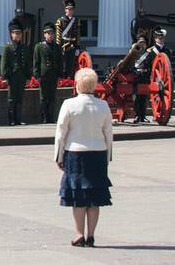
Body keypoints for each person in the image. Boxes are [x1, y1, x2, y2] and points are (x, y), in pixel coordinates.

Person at [55, 67, 113, 247]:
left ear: (77, 84)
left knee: (78, 196)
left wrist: (59, 155)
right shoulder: (103, 105)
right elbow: (108, 133)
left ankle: (79, 233)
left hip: (75, 153)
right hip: (98, 154)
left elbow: (61, 131)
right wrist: (108, 156)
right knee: (95, 197)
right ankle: (91, 235)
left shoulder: (69, 104)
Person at [132, 28, 170, 123]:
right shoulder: (151, 51)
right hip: (150, 76)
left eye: (161, 38)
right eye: (158, 37)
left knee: (145, 98)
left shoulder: (167, 50)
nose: (160, 39)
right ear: (155, 39)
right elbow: (142, 62)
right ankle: (138, 115)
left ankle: (153, 115)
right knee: (140, 96)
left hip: (162, 77)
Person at [1, 21, 31, 126]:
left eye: (19, 33)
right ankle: (12, 120)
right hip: (12, 76)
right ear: (11, 34)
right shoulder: (8, 47)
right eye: (15, 33)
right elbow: (4, 63)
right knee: (12, 98)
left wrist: (28, 76)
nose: (17, 35)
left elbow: (27, 62)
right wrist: (4, 77)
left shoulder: (24, 47)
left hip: (21, 75)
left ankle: (18, 119)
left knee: (20, 98)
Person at [33, 24, 63, 124]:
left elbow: (60, 62)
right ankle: (44, 118)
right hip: (43, 75)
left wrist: (59, 75)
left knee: (52, 97)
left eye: (51, 33)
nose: (50, 35)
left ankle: (51, 117)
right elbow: (36, 62)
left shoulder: (57, 47)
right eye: (48, 33)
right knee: (43, 97)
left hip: (53, 74)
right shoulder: (39, 46)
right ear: (44, 35)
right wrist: (37, 75)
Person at [55, 0, 81, 77]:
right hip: (63, 46)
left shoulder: (76, 20)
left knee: (70, 66)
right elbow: (58, 36)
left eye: (71, 9)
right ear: (65, 10)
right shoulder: (61, 20)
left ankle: (69, 81)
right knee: (62, 66)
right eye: (68, 9)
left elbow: (78, 34)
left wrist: (77, 47)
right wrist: (59, 47)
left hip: (72, 46)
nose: (70, 11)